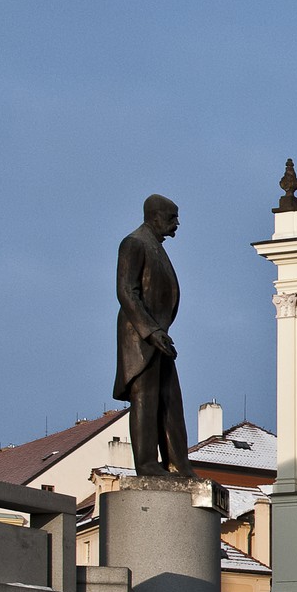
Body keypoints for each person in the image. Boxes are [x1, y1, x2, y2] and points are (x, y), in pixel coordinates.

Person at [114, 194, 193, 477]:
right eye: (172, 217)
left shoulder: (155, 246)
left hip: (159, 335)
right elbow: (126, 291)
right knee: (145, 397)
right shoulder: (134, 243)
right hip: (141, 335)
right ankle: (146, 463)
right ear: (155, 216)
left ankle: (178, 464)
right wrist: (150, 331)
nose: (176, 224)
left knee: (170, 398)